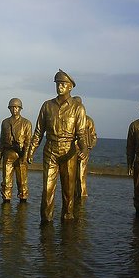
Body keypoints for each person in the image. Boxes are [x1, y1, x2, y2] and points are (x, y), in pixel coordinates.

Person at [27, 70, 88, 223]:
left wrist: (85, 149)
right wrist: (31, 151)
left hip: (69, 152)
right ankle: (46, 221)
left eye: (63, 84)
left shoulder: (78, 108)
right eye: (58, 84)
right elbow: (38, 132)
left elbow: (81, 135)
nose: (60, 87)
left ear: (70, 87)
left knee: (68, 192)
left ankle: (67, 220)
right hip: (50, 150)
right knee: (47, 190)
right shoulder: (47, 106)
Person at [0, 98, 32, 203]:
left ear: (20, 108)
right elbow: (2, 140)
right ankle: (6, 199)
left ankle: (23, 198)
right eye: (12, 107)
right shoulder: (5, 123)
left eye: (16, 107)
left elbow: (28, 141)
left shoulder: (26, 123)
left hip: (21, 155)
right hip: (8, 154)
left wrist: (25, 156)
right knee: (6, 180)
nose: (14, 109)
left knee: (22, 180)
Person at [73, 96, 97, 197]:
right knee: (71, 175)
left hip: (83, 150)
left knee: (81, 175)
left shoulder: (88, 120)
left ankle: (82, 195)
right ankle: (73, 194)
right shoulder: (70, 118)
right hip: (71, 150)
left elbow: (93, 135)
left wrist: (89, 146)